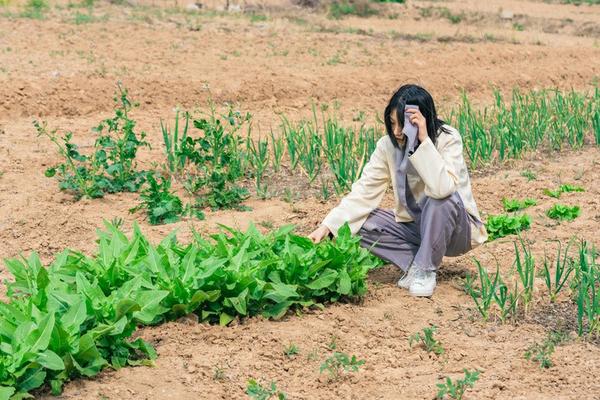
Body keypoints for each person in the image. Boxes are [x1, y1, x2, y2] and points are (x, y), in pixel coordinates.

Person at [308, 84, 487, 297]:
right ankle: (415, 262)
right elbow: (364, 191)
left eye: (404, 125)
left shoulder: (448, 138)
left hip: (456, 231)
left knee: (442, 198)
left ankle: (425, 270)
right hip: (415, 226)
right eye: (392, 123)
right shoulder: (387, 146)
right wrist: (327, 226)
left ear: (421, 121)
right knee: (359, 223)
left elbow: (442, 188)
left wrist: (422, 142)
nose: (396, 132)